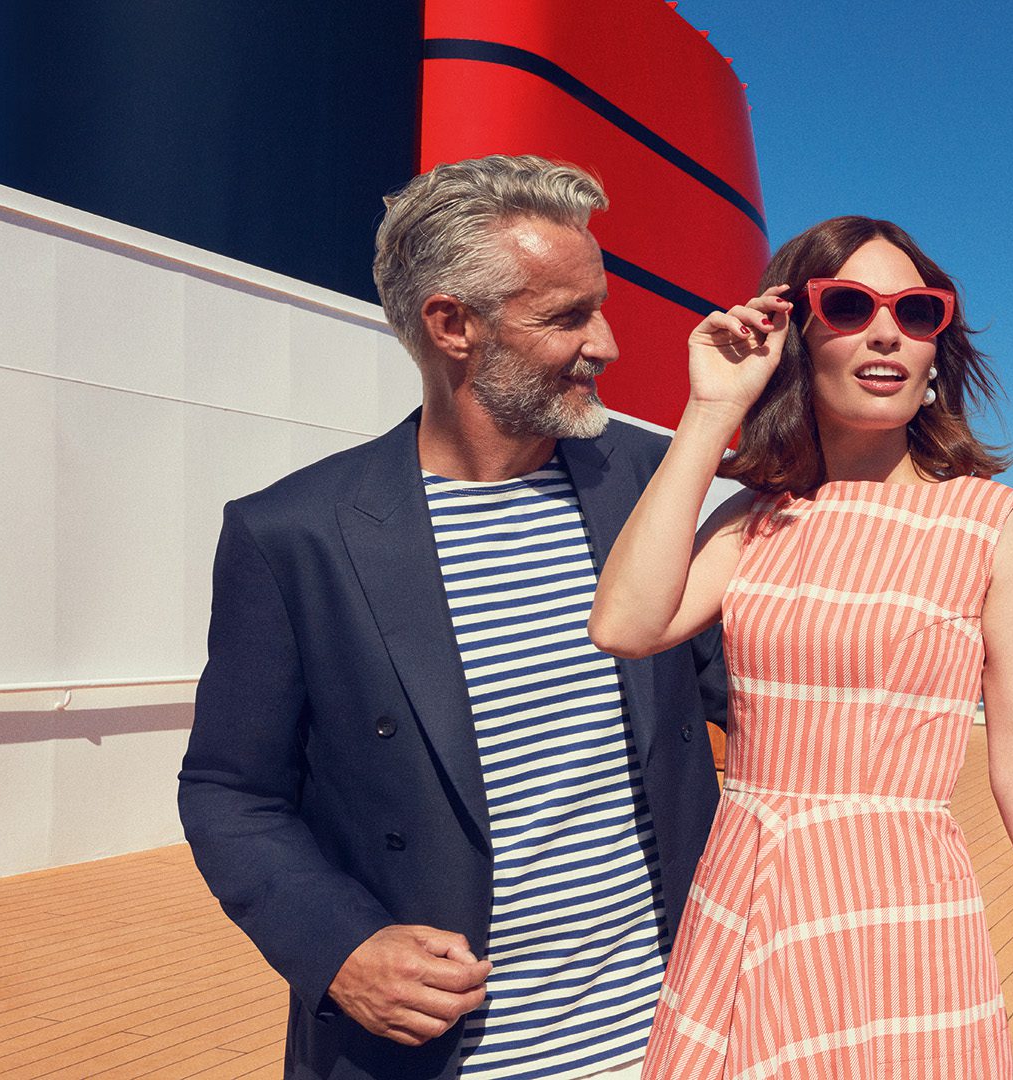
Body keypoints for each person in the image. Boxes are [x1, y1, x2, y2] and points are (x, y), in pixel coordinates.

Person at [588, 216, 1013, 1080]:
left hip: (901, 912)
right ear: (798, 337)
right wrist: (713, 409)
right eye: (848, 305)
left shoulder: (989, 523)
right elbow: (624, 624)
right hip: (748, 894)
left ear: (936, 349)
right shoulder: (759, 517)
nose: (886, 332)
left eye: (916, 312)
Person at [178, 155, 728, 1080]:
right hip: (434, 1059)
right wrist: (338, 946)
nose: (605, 344)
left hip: (676, 1040)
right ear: (453, 324)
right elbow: (229, 790)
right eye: (567, 316)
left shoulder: (650, 482)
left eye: (599, 308)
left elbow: (761, 693)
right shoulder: (294, 535)